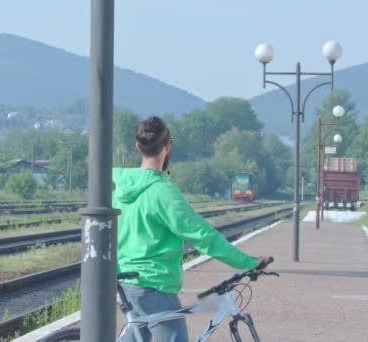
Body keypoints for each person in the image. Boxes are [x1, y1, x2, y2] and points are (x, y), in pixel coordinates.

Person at [113, 116, 269, 342]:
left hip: (127, 281)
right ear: (168, 145)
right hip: (153, 285)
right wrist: (249, 262)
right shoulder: (163, 192)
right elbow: (205, 237)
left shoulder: (118, 189)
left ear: (138, 147)